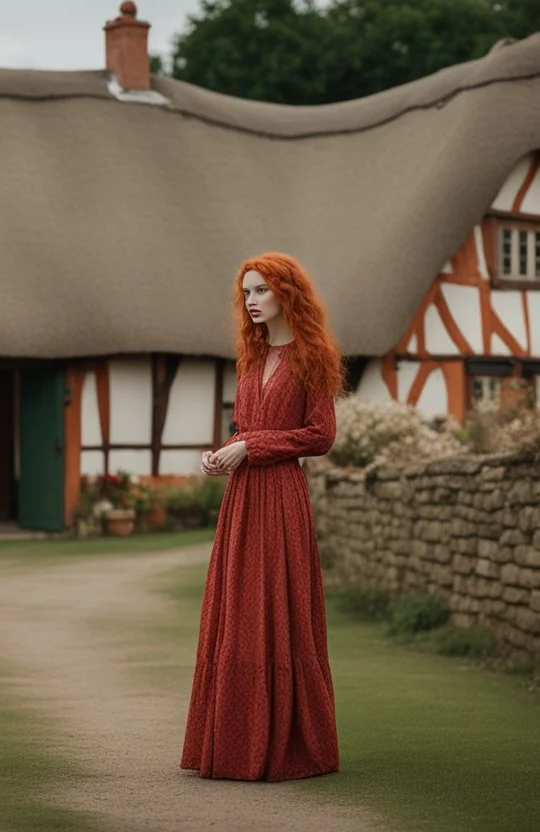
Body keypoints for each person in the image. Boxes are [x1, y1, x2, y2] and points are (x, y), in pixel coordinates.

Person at [180, 252, 344, 782]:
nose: (250, 301)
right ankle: (227, 745)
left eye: (261, 291)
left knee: (274, 610)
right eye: (246, 292)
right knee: (238, 611)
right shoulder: (249, 359)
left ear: (286, 293)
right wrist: (224, 451)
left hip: (281, 498)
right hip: (243, 501)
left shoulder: (312, 355)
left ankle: (284, 744)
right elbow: (245, 429)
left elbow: (320, 436)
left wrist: (251, 445)